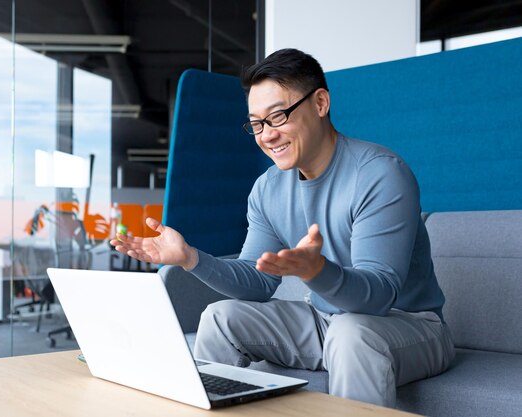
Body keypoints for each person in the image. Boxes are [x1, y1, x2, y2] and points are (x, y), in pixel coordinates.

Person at [111, 48, 455, 408]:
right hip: (325, 322)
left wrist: (319, 271)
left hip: (408, 326)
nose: (267, 135)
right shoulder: (268, 188)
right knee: (220, 316)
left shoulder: (380, 174)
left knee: (352, 333)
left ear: (320, 103)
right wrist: (191, 258)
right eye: (256, 124)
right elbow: (257, 281)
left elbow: (380, 294)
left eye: (277, 117)